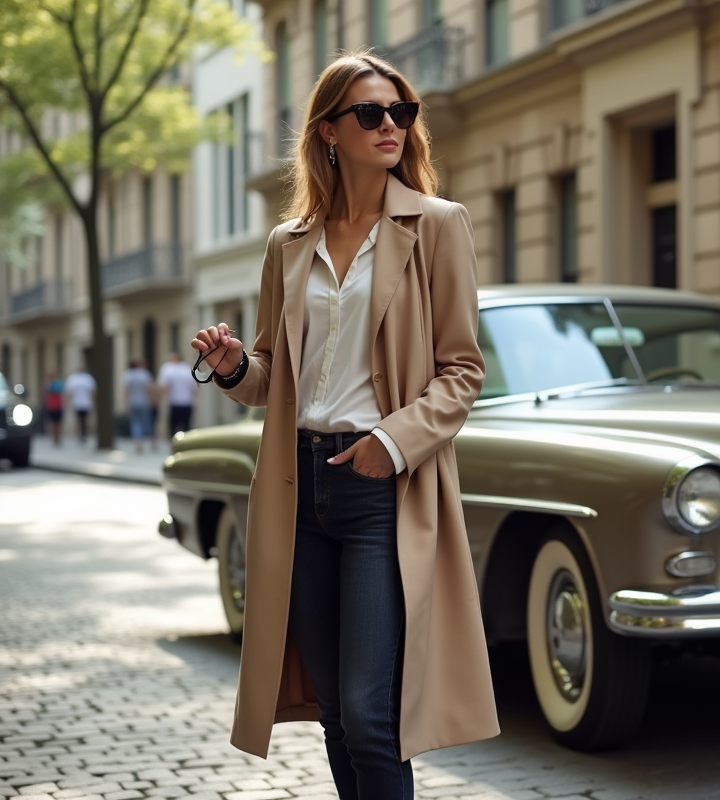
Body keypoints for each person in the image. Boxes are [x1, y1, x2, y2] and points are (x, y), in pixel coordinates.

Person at [191, 51, 497, 799]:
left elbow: (463, 373)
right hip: (300, 492)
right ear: (329, 130)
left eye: (400, 112)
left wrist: (390, 445)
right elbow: (272, 381)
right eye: (370, 113)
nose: (390, 124)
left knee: (369, 714)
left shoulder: (436, 227)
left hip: (379, 494)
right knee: (332, 712)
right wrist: (233, 366)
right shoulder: (286, 245)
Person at [157, 352, 197, 436]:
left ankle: (174, 444)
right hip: (187, 402)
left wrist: (162, 399)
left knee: (173, 427)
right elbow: (194, 387)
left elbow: (163, 386)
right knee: (186, 426)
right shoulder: (188, 368)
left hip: (174, 402)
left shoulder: (168, 368)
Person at [122, 358, 156, 453]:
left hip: (133, 402)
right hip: (144, 402)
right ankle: (152, 441)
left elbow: (126, 391)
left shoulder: (127, 375)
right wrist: (152, 400)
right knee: (147, 422)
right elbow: (149, 388)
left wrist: (126, 403)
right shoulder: (144, 374)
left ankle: (138, 443)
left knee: (135, 423)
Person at [63, 365, 96, 443]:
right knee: (78, 420)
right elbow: (69, 393)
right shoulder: (73, 379)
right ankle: (80, 436)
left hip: (86, 403)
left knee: (84, 420)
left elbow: (92, 392)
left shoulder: (88, 378)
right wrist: (67, 403)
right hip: (77, 403)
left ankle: (84, 435)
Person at [42, 372, 65, 446]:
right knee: (53, 423)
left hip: (56, 405)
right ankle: (55, 438)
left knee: (57, 423)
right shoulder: (48, 384)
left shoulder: (56, 384)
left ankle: (57, 438)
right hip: (52, 406)